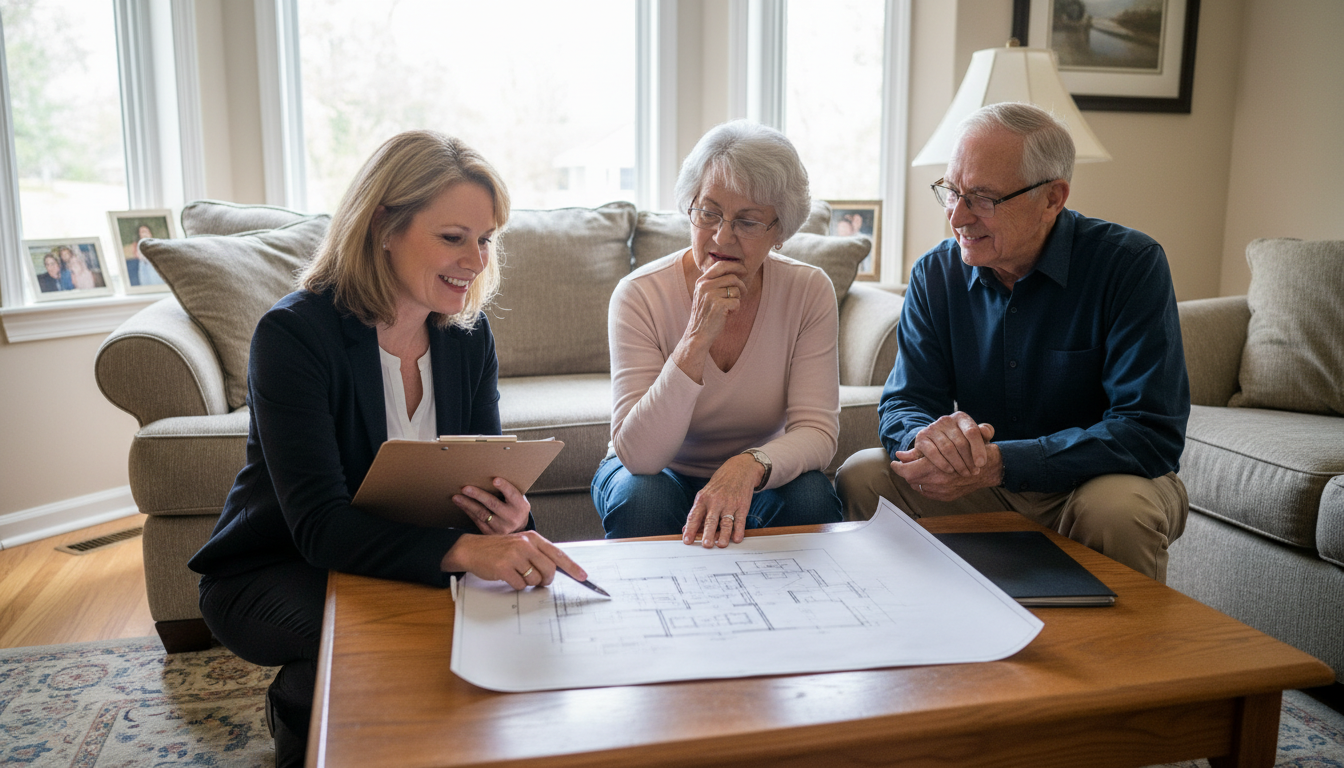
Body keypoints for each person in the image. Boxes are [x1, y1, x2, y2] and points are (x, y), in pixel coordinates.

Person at [187, 130, 589, 767]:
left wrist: (509, 519)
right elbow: (320, 527)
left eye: (485, 239)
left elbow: (482, 473)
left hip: (397, 556)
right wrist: (466, 550)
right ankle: (301, 711)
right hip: (278, 568)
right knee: (389, 639)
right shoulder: (293, 335)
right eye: (453, 237)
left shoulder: (466, 335)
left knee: (487, 633)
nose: (477, 260)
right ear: (383, 226)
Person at [835, 102, 1189, 583]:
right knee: (864, 476)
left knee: (1115, 510)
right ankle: (915, 635)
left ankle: (1121, 657)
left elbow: (1148, 431)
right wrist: (928, 441)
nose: (957, 216)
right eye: (951, 192)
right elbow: (907, 399)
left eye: (981, 198)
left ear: (1052, 198)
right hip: (983, 475)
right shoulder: (936, 274)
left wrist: (1005, 463)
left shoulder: (1129, 265)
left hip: (1099, 479)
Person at [592, 120, 843, 548]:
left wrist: (749, 465)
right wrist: (695, 338)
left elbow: (818, 433)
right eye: (709, 213)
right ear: (690, 205)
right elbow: (640, 456)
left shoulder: (808, 290)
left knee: (812, 497)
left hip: (758, 469)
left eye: (746, 222)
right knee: (644, 500)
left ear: (779, 231)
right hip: (656, 471)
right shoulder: (639, 294)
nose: (721, 237)